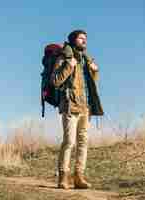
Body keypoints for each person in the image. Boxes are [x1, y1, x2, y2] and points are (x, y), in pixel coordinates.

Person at [51, 30, 104, 189]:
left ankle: (78, 177)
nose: (84, 41)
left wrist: (95, 72)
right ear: (73, 40)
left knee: (83, 142)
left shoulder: (86, 60)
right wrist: (68, 66)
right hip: (70, 105)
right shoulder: (64, 58)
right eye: (81, 38)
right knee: (69, 141)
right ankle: (63, 177)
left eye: (85, 39)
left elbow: (91, 85)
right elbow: (55, 81)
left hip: (85, 107)